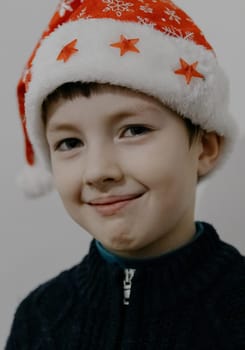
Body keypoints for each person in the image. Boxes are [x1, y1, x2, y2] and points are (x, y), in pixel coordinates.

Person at [5, 0, 245, 349]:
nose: (99, 171)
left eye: (133, 130)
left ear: (205, 148)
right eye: (70, 142)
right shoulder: (39, 317)